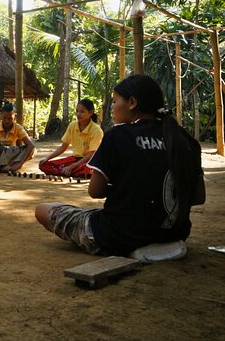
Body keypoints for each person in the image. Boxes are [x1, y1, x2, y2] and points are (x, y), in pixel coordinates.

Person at [35, 75, 206, 256]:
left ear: (132, 102)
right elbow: (198, 197)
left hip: (119, 235)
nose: (112, 108)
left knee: (43, 210)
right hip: (172, 235)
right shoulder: (185, 140)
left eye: (115, 102)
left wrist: (126, 189)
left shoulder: (117, 135)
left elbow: (95, 191)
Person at [38, 99, 103, 177]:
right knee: (44, 165)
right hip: (74, 159)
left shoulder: (96, 130)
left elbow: (92, 154)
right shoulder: (72, 125)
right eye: (77, 111)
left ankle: (72, 171)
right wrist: (47, 158)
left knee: (88, 168)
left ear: (91, 113)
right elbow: (63, 147)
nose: (78, 114)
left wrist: (71, 167)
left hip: (89, 160)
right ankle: (72, 172)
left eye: (82, 112)